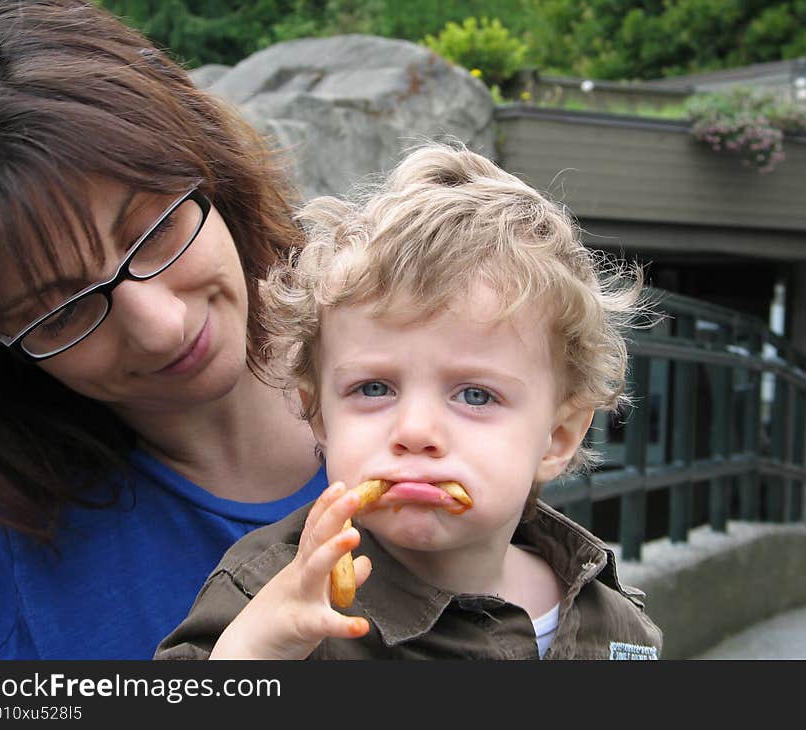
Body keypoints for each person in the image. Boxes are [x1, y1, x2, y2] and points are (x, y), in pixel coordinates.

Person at [154, 143, 664, 660]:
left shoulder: (615, 622)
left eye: (475, 395)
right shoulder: (274, 594)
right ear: (318, 415)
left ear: (557, 437)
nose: (415, 430)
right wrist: (253, 651)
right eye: (373, 388)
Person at [0, 0, 328, 659]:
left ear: (207, 163)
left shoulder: (433, 361)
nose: (160, 327)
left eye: (154, 230)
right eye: (63, 310)